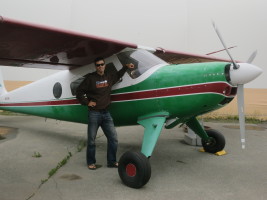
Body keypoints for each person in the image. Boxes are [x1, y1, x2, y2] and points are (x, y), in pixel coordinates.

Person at [76, 57, 134, 170]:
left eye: (102, 64)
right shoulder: (90, 78)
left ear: (105, 65)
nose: (100, 66)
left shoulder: (109, 76)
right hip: (94, 114)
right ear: (95, 66)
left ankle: (111, 161)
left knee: (113, 138)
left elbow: (118, 75)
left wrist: (126, 67)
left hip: (106, 113)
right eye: (98, 65)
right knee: (92, 140)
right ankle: (91, 162)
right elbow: (79, 91)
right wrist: (87, 102)